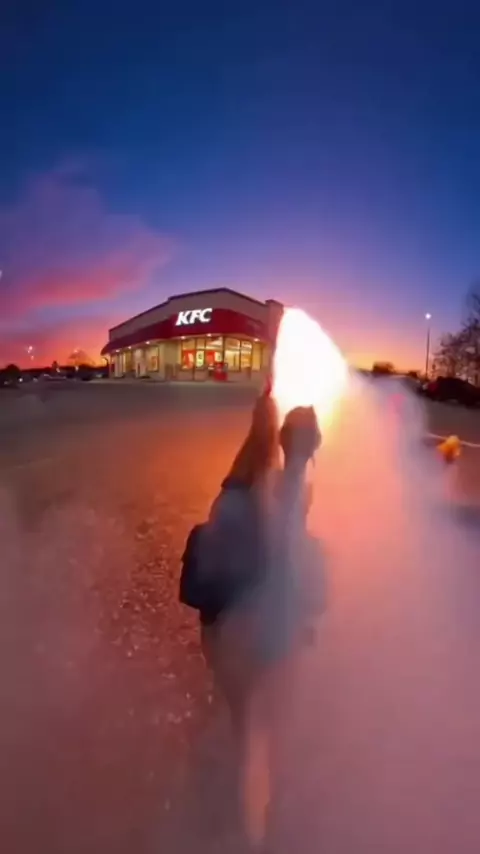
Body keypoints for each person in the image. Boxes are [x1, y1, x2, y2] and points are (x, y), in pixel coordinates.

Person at [192, 394, 323, 849]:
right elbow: (291, 565)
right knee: (273, 735)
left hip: (233, 634)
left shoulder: (235, 491)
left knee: (240, 729)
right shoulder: (287, 494)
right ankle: (261, 829)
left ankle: (232, 821)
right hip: (267, 634)